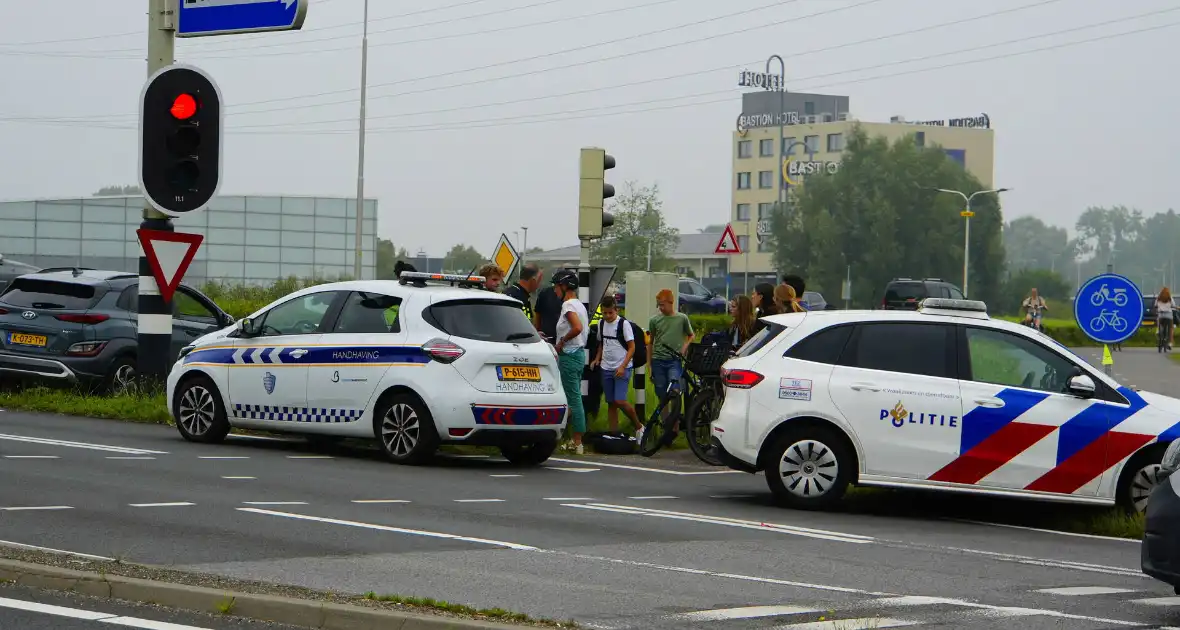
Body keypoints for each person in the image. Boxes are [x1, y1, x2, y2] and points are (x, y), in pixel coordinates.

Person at [590, 295, 644, 441]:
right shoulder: (601, 324)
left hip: (622, 367)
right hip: (606, 367)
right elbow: (602, 344)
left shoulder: (623, 324)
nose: (607, 316)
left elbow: (632, 347)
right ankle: (613, 433)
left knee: (620, 400)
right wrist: (597, 359)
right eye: (604, 313)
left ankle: (639, 426)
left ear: (616, 311)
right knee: (611, 403)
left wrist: (623, 366)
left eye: (610, 313)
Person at [648, 289, 695, 440]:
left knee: (675, 390)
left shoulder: (682, 318)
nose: (660, 308)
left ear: (671, 302)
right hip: (658, 360)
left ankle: (674, 425)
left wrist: (685, 347)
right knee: (662, 395)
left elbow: (691, 334)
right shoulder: (654, 320)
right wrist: (649, 365)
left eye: (662, 304)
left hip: (674, 360)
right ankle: (665, 426)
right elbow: (651, 342)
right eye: (658, 305)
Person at [551, 269, 589, 454]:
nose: (555, 291)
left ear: (564, 286)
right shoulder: (580, 305)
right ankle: (570, 438)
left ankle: (577, 441)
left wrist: (561, 342)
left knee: (573, 400)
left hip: (569, 354)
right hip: (579, 355)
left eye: (556, 287)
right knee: (572, 398)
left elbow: (577, 328)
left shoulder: (568, 306)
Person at [502, 263, 542, 329]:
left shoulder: (521, 294)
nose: (539, 285)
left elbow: (527, 321)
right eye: (539, 281)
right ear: (533, 280)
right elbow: (517, 325)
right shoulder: (516, 297)